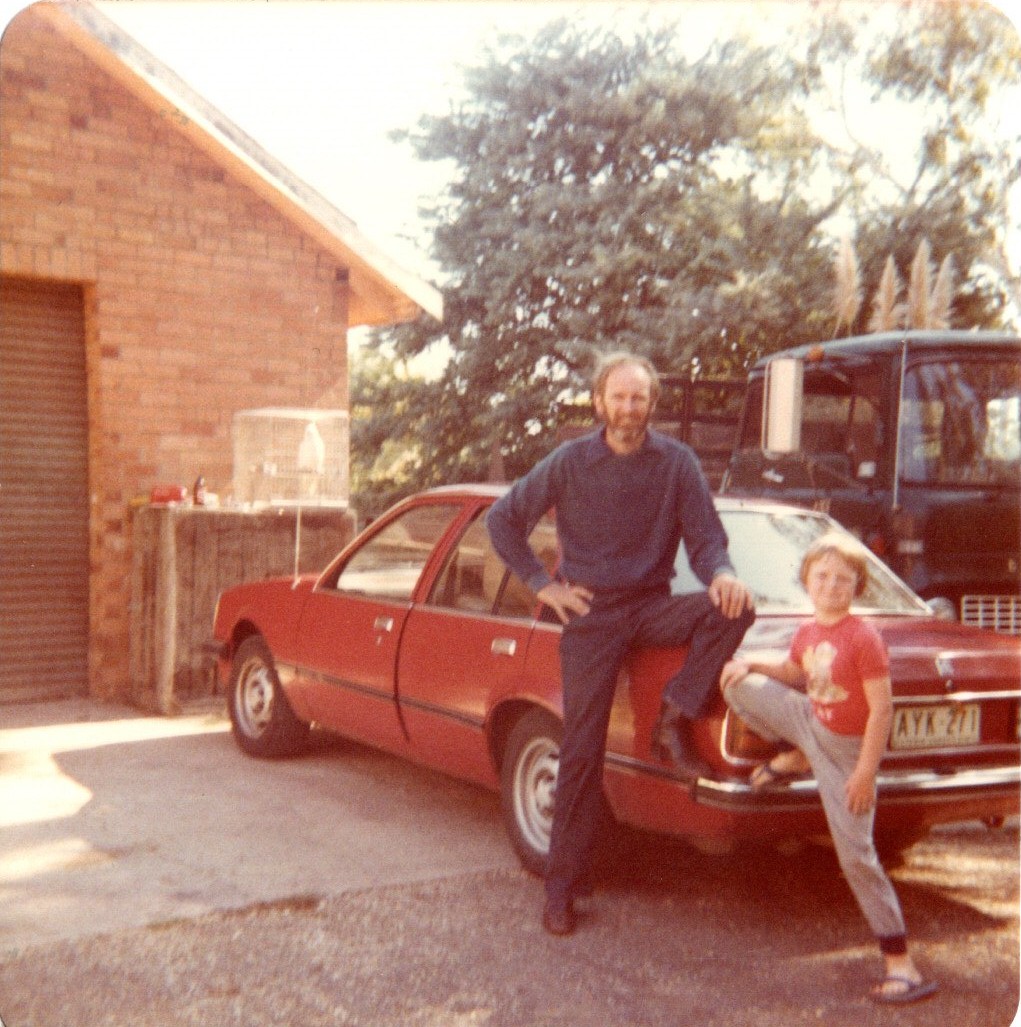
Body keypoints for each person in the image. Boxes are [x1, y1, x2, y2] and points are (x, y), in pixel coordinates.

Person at [486, 351, 755, 936]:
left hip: (652, 605)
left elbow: (707, 539)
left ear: (652, 404)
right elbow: (502, 520)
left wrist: (722, 573)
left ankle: (675, 713)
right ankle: (561, 889)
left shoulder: (677, 462)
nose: (629, 407)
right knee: (581, 751)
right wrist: (543, 585)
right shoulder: (569, 462)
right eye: (619, 397)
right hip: (592, 617)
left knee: (735, 607)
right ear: (599, 402)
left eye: (639, 397)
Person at [719, 533, 938, 1005]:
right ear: (807, 581)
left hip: (849, 753)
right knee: (736, 682)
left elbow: (882, 710)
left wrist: (864, 774)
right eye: (822, 576)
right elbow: (797, 675)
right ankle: (799, 754)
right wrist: (751, 662)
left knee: (856, 856)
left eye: (843, 579)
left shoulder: (863, 638)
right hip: (812, 724)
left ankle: (902, 964)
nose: (831, 586)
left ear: (857, 586)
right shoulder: (808, 631)